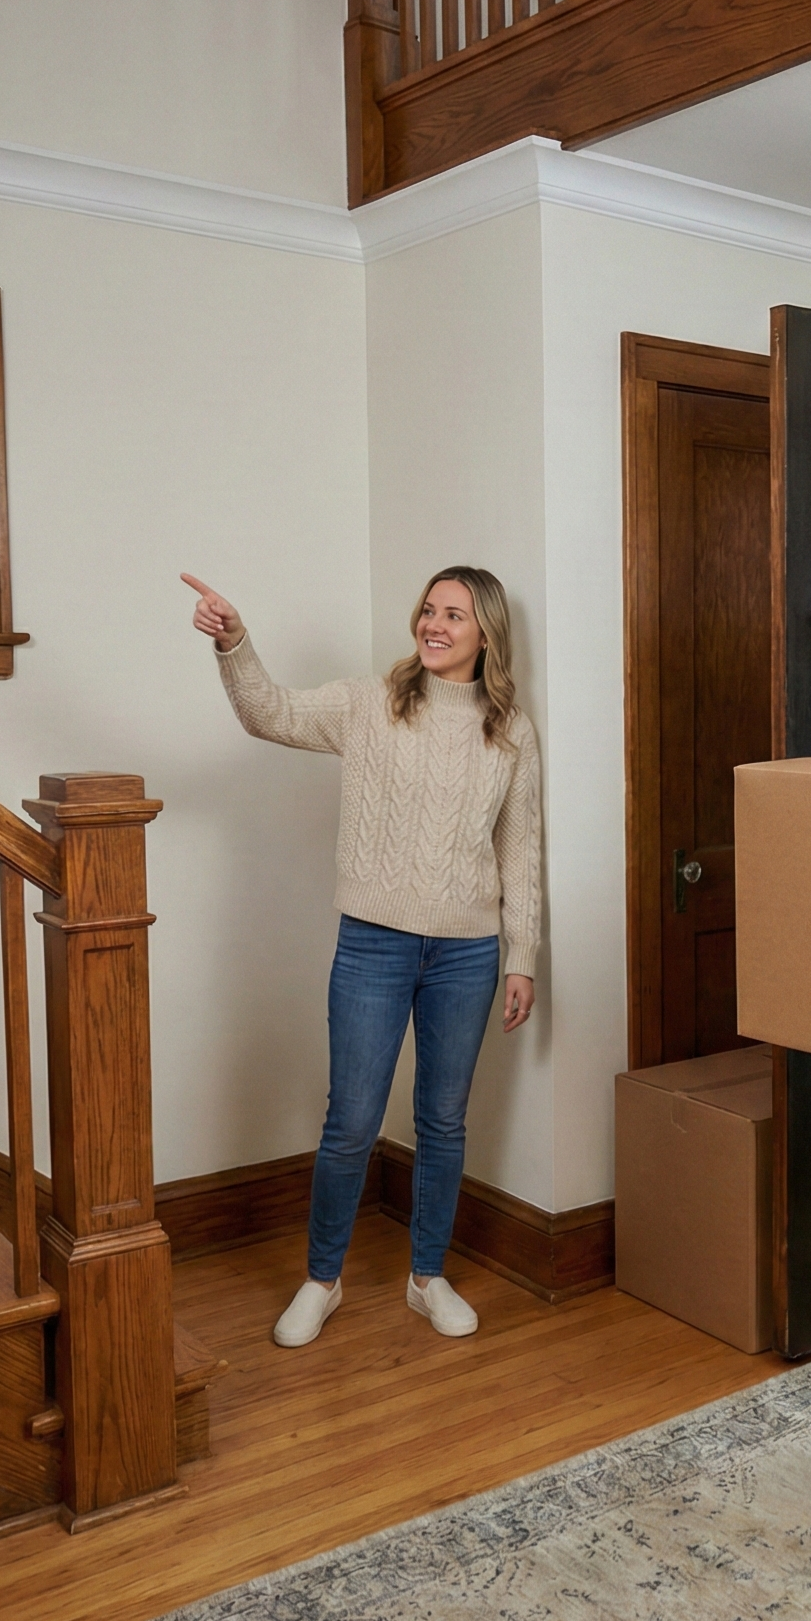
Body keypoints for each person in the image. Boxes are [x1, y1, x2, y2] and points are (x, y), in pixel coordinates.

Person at [183, 566, 540, 1349]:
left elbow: (521, 850)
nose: (434, 624)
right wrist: (235, 641)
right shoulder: (368, 703)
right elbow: (266, 713)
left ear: (486, 634)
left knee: (443, 1122)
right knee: (351, 1122)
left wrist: (522, 956)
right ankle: (322, 1280)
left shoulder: (509, 730)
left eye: (454, 614)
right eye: (428, 610)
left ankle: (426, 1276)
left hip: (469, 951)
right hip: (373, 942)